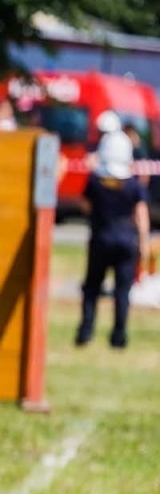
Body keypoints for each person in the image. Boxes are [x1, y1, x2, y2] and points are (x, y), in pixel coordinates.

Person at [77, 111, 151, 349]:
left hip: (101, 238)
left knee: (92, 288)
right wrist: (144, 243)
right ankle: (119, 336)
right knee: (122, 292)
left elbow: (85, 206)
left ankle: (86, 332)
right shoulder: (131, 184)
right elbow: (141, 215)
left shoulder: (95, 182)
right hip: (126, 241)